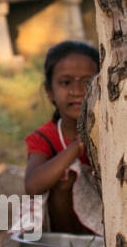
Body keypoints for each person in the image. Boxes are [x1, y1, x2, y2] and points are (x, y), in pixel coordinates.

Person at [24, 40, 102, 236]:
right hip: (66, 236)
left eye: (87, 83)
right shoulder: (45, 137)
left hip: (110, 229)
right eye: (66, 83)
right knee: (65, 180)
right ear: (50, 91)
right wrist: (76, 147)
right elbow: (32, 185)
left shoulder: (113, 134)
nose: (77, 91)